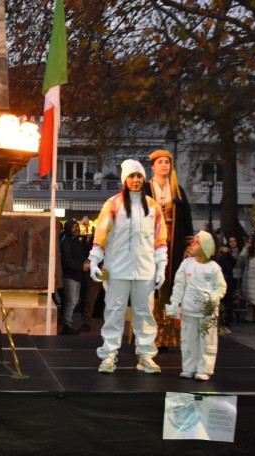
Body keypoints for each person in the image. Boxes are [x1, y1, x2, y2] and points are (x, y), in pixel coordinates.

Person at [89, 159, 168, 374]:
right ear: (125, 179)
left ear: (143, 179)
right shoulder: (113, 204)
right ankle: (108, 355)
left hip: (145, 269)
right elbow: (101, 235)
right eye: (132, 176)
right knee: (114, 312)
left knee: (145, 313)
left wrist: (161, 267)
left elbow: (160, 240)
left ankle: (145, 356)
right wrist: (95, 259)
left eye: (139, 176)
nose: (135, 180)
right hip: (117, 268)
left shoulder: (153, 206)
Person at [142, 149, 194, 350]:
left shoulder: (177, 190)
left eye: (167, 162)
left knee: (171, 286)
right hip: (150, 244)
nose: (164, 165)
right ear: (153, 166)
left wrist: (188, 246)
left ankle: (168, 336)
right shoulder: (145, 189)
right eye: (160, 162)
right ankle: (148, 335)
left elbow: (187, 220)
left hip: (173, 245)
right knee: (149, 287)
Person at [165, 231, 227, 381]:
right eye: (193, 242)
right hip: (189, 310)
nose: (193, 245)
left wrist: (213, 298)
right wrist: (175, 303)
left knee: (207, 342)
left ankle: (204, 369)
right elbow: (179, 285)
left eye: (197, 242)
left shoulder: (213, 267)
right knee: (188, 341)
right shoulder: (186, 264)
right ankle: (189, 368)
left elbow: (220, 287)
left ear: (206, 246)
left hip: (207, 313)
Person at [59, 219, 86, 335]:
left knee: (73, 301)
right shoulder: (66, 242)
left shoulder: (75, 241)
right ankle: (67, 325)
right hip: (70, 276)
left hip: (76, 276)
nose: (76, 229)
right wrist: (81, 266)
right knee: (71, 301)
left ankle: (68, 324)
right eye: (74, 227)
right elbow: (67, 260)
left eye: (77, 226)